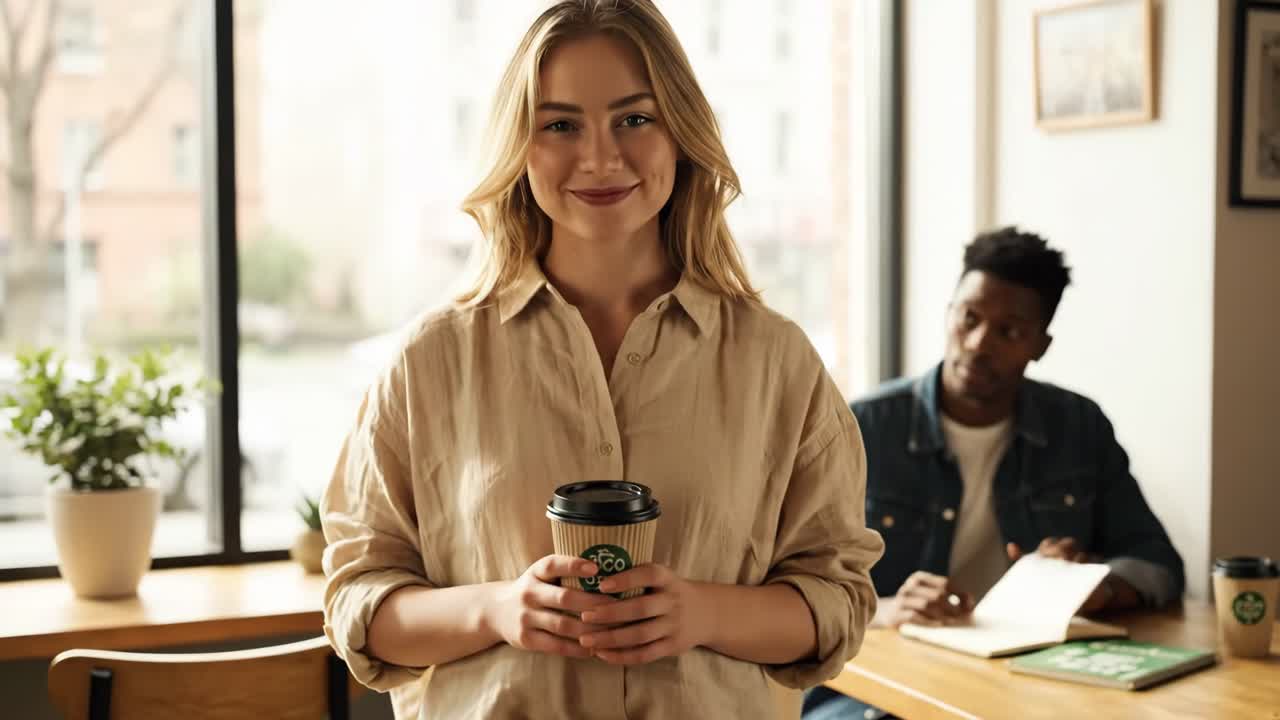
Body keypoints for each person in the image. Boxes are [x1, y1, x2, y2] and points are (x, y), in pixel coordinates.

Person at [320, 2, 885, 718]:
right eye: (560, 125)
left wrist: (703, 614)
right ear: (520, 147)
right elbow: (358, 603)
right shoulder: (428, 363)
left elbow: (838, 601)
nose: (599, 157)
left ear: (679, 132)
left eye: (634, 118)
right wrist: (496, 610)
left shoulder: (778, 362)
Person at [802, 227, 1185, 720]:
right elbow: (794, 582)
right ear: (950, 315)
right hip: (874, 691)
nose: (980, 344)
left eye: (1008, 331)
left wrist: (1094, 586)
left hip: (1028, 684)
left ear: (1040, 345)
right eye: (970, 318)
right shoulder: (864, 427)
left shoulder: (1078, 427)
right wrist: (886, 609)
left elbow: (1158, 564)